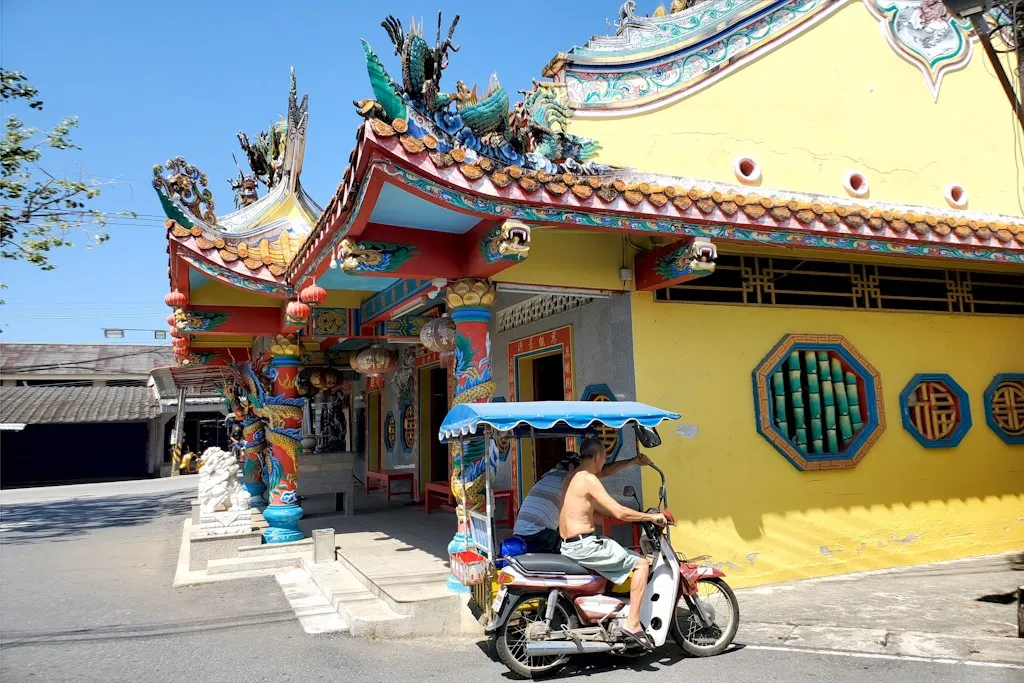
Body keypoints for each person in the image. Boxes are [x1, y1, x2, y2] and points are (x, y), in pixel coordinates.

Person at [559, 438, 666, 648]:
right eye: (604, 457)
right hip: (584, 546)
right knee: (642, 564)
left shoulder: (572, 477)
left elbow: (606, 473)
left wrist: (633, 461)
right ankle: (633, 624)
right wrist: (651, 518)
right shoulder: (588, 479)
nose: (604, 462)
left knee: (615, 547)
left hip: (569, 544)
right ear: (598, 456)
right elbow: (618, 511)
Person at [513, 447, 652, 554]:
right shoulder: (569, 479)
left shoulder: (548, 477)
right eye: (582, 468)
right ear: (572, 467)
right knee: (578, 548)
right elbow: (603, 475)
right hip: (537, 536)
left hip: (521, 534)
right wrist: (633, 461)